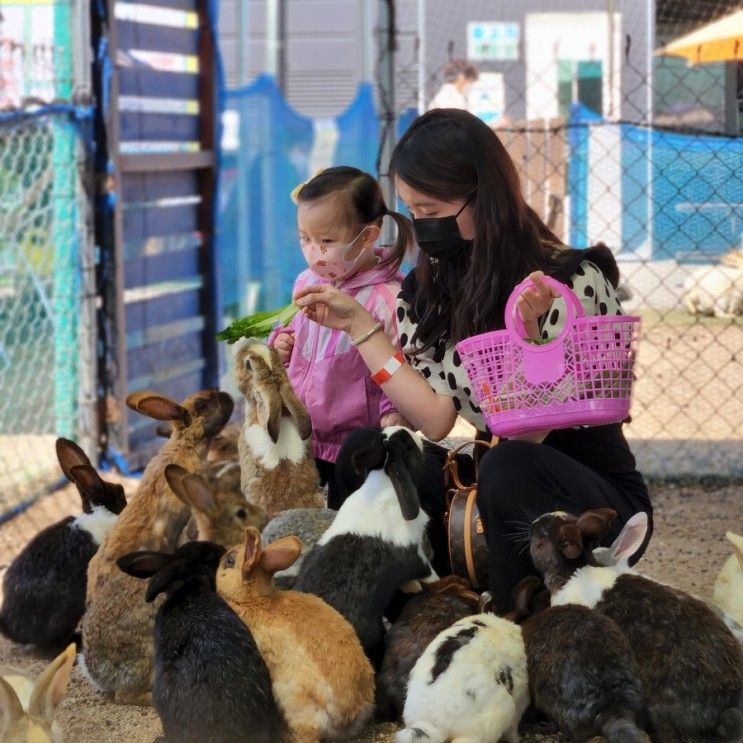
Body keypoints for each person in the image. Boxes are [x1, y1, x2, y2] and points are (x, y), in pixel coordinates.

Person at [293, 109, 653, 613]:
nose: (421, 224)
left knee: (508, 462)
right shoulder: (430, 290)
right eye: (412, 208)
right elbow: (437, 419)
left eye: (433, 207)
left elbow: (529, 434)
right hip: (493, 492)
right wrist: (360, 328)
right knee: (369, 451)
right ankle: (381, 625)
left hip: (588, 500)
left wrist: (529, 340)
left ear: (484, 197)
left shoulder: (567, 281)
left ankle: (512, 626)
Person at [268, 166, 413, 507]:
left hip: (356, 447)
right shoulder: (306, 282)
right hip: (304, 437)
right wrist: (281, 345)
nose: (313, 252)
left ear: (367, 236)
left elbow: (402, 364)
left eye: (327, 242)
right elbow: (291, 334)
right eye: (305, 239)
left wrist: (395, 417)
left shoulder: (386, 299)